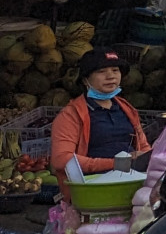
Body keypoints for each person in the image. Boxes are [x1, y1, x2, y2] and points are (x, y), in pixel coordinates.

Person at [51, 47, 152, 179]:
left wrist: (147, 158)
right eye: (101, 71)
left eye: (115, 70)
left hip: (133, 178)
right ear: (85, 80)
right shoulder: (70, 115)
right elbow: (61, 159)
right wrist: (114, 164)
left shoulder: (126, 109)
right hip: (93, 185)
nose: (110, 76)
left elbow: (143, 146)